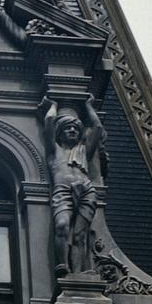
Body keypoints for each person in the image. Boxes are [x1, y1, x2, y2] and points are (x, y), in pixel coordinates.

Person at [40, 94, 104, 277]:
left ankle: (77, 274)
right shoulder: (54, 151)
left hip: (86, 190)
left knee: (80, 235)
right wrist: (53, 104)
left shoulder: (83, 151)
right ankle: (62, 265)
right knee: (61, 225)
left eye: (76, 128)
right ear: (60, 132)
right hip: (63, 191)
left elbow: (98, 128)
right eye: (68, 128)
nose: (72, 131)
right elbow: (50, 121)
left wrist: (88, 105)